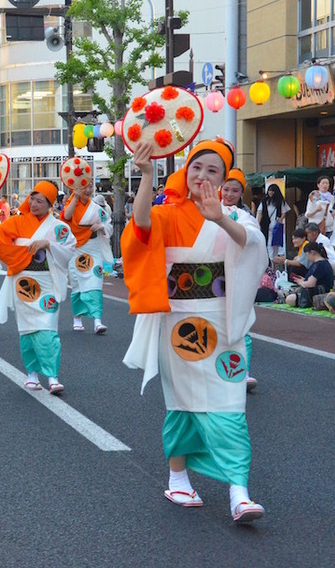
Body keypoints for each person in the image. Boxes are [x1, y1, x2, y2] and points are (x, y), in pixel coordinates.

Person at [121, 138, 267, 524]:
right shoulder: (169, 213)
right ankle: (178, 477)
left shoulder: (235, 215)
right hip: (179, 321)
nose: (202, 175)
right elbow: (141, 226)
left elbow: (252, 246)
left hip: (222, 322)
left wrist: (220, 217)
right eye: (196, 167)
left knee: (231, 404)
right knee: (183, 404)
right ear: (186, 170)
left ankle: (239, 492)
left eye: (212, 170)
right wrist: (148, 176)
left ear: (224, 179)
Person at [0, 181, 76, 394]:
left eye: (40, 201)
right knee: (27, 330)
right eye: (32, 199)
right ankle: (33, 374)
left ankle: (53, 376)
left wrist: (49, 244)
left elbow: (69, 250)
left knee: (48, 328)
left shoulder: (59, 227)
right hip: (24, 282)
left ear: (50, 204)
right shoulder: (18, 221)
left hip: (47, 281)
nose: (34, 204)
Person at [221, 168, 260, 393]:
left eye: (234, 190)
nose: (229, 194)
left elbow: (253, 240)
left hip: (235, 274)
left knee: (240, 324)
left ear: (241, 192)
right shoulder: (208, 209)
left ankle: (242, 372)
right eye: (226, 189)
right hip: (211, 276)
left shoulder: (246, 217)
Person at [62, 184, 112, 334]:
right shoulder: (71, 204)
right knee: (77, 283)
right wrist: (75, 197)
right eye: (84, 187)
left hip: (93, 247)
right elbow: (66, 217)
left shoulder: (96, 208)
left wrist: (102, 227)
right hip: (75, 248)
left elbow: (108, 224)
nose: (88, 190)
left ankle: (97, 320)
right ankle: (77, 318)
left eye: (90, 187)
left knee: (95, 280)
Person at [286, 242, 334, 308]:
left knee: (290, 299)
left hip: (315, 294)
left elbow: (310, 284)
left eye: (307, 255)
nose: (307, 258)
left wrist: (301, 282)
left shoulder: (319, 265)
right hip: (318, 292)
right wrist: (303, 280)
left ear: (312, 252)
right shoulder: (321, 263)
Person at [256, 183, 290, 261]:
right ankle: (270, 258)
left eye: (272, 191)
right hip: (265, 225)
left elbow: (284, 212)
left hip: (275, 225)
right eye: (269, 191)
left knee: (274, 243)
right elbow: (260, 213)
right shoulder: (264, 201)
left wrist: (280, 219)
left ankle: (272, 259)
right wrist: (257, 224)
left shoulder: (280, 201)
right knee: (268, 242)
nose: (270, 192)